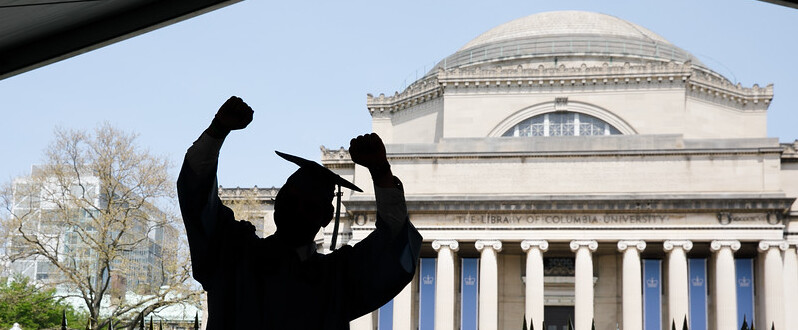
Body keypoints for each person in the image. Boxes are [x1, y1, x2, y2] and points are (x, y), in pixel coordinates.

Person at [177, 96, 422, 329]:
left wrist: (381, 172)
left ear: (326, 217)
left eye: (310, 205)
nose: (297, 210)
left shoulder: (338, 278)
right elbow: (195, 195)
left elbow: (394, 246)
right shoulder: (233, 254)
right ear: (278, 200)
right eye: (291, 199)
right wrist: (217, 130)